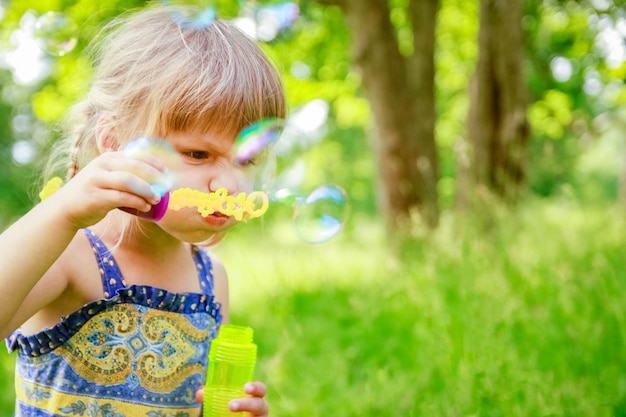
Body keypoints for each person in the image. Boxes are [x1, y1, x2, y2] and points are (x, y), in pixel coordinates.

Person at [0, 3, 285, 416]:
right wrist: (61, 213)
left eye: (245, 160)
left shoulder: (211, 281)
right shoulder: (73, 254)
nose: (228, 185)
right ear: (115, 143)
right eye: (198, 153)